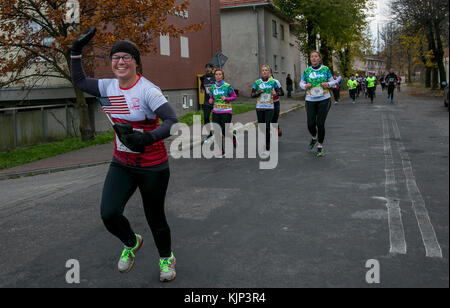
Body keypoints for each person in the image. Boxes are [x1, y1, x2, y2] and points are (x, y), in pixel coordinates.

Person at [70, 27, 178, 282]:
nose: (120, 61)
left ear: (136, 63)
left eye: (126, 57)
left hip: (153, 165)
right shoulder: (107, 86)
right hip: (122, 163)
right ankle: (131, 242)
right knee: (108, 213)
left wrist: (147, 137)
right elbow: (78, 81)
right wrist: (75, 52)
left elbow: (172, 121)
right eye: (115, 58)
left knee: (155, 216)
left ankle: (166, 258)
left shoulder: (147, 90)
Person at [299, 51, 337, 157]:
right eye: (312, 57)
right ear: (310, 59)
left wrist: (328, 84)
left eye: (316, 56)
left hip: (324, 99)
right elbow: (301, 83)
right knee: (310, 124)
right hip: (310, 99)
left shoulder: (325, 69)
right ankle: (314, 138)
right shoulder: (307, 71)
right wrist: (305, 85)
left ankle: (320, 146)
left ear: (320, 58)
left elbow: (333, 82)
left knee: (320, 123)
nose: (314, 58)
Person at [251, 65, 281, 158]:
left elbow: (281, 92)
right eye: (263, 70)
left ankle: (267, 148)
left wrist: (276, 93)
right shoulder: (257, 82)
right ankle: (265, 143)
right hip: (259, 108)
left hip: (270, 107)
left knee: (267, 126)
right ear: (261, 72)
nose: (264, 72)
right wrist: (258, 92)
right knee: (262, 128)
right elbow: (252, 94)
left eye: (266, 70)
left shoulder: (273, 82)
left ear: (269, 72)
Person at [209, 69, 237, 157]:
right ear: (214, 76)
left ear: (223, 76)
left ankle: (233, 137)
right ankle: (221, 150)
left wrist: (227, 99)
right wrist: (211, 100)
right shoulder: (212, 87)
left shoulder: (227, 86)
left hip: (226, 112)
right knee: (217, 131)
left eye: (220, 74)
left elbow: (234, 97)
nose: (218, 76)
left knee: (225, 131)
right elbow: (212, 97)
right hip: (216, 112)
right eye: (216, 74)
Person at [200, 63, 215, 143]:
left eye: (209, 67)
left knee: (216, 118)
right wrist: (201, 89)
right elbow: (202, 86)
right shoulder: (203, 77)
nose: (208, 69)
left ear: (212, 69)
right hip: (206, 102)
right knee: (206, 118)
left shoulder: (215, 77)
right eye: (206, 67)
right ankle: (209, 134)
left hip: (216, 101)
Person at [271, 72, 284, 137]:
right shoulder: (261, 82)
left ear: (270, 73)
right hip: (266, 104)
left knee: (274, 120)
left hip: (275, 103)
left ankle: (277, 129)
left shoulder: (275, 82)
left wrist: (275, 94)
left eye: (267, 71)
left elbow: (282, 93)